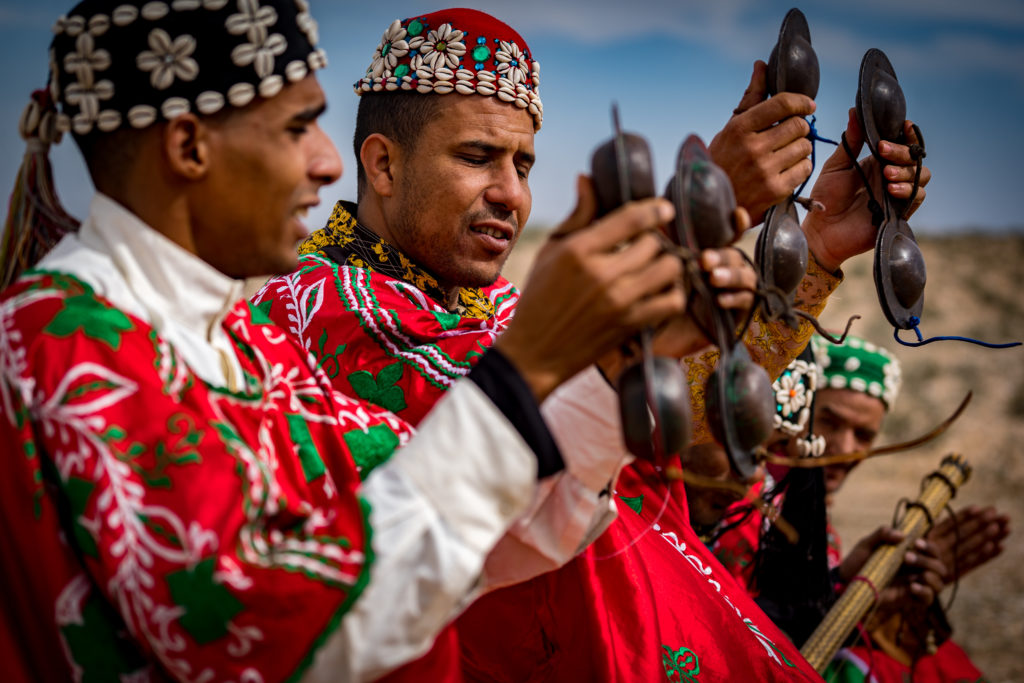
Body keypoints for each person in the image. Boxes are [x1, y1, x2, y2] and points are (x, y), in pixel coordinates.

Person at [0, 2, 693, 681]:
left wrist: (607, 366)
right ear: (189, 148)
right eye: (297, 126)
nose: (329, 162)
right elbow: (270, 630)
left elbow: (455, 528)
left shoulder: (236, 342)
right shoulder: (69, 340)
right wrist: (529, 366)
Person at [256, 7, 933, 680]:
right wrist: (703, 207)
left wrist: (816, 247)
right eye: (476, 157)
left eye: (523, 164)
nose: (511, 193)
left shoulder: (499, 308)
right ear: (381, 165)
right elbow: (518, 423)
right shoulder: (320, 309)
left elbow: (675, 418)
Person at [714, 335, 1011, 681]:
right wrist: (842, 592)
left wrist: (866, 589)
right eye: (830, 422)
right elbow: (740, 635)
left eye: (864, 435)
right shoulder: (740, 503)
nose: (846, 448)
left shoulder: (818, 528)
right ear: (798, 409)